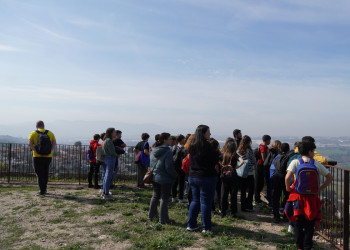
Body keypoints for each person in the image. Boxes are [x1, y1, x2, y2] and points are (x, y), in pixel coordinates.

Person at [285, 141, 333, 250]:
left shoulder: (295, 162)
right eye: (313, 151)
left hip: (298, 197)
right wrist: (319, 188)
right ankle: (307, 247)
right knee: (309, 224)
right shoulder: (315, 163)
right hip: (311, 198)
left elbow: (287, 178)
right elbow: (329, 177)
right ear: (310, 151)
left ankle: (299, 247)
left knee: (298, 223)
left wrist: (288, 188)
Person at [187, 125, 219, 233]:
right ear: (203, 133)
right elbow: (215, 159)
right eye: (208, 132)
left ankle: (191, 224)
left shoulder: (192, 145)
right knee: (206, 202)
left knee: (195, 200)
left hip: (193, 176)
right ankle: (206, 227)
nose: (210, 134)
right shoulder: (207, 145)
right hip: (206, 176)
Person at [149, 133, 178, 224]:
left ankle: (152, 215)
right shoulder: (168, 151)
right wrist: (175, 175)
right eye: (169, 139)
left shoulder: (154, 149)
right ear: (165, 140)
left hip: (155, 176)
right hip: (165, 178)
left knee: (155, 196)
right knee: (164, 198)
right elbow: (168, 167)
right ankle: (164, 220)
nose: (171, 140)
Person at [28, 120, 56, 196]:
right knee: (45, 172)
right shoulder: (50, 133)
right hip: (48, 156)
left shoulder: (33, 133)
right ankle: (44, 188)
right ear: (44, 125)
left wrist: (35, 151)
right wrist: (51, 151)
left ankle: (42, 191)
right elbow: (54, 143)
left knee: (39, 173)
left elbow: (30, 144)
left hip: (37, 156)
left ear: (36, 126)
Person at [219, 140, 244, 218]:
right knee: (233, 195)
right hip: (233, 176)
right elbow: (242, 161)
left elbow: (217, 160)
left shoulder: (223, 154)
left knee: (224, 194)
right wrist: (236, 167)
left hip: (224, 177)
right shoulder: (234, 155)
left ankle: (223, 212)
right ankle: (233, 212)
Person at [271, 142, 290, 223]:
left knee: (276, 197)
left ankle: (276, 216)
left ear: (281, 149)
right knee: (288, 197)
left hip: (276, 176)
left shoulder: (277, 157)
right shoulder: (290, 157)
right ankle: (286, 216)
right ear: (288, 149)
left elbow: (272, 167)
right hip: (285, 177)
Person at [237, 135, 256, 212]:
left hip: (240, 173)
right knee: (251, 190)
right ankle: (249, 205)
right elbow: (254, 161)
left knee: (243, 190)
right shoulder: (250, 151)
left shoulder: (238, 151)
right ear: (249, 142)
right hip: (249, 173)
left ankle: (243, 206)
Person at [101, 128, 118, 199]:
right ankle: (106, 194)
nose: (115, 133)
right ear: (111, 133)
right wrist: (116, 155)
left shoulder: (105, 140)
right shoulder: (109, 141)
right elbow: (112, 151)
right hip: (110, 158)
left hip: (106, 158)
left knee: (105, 176)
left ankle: (104, 191)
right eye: (114, 132)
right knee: (108, 176)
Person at [264, 140, 282, 205]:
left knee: (269, 186)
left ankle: (269, 200)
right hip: (271, 170)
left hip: (266, 169)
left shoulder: (269, 150)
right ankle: (271, 201)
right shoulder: (275, 152)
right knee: (272, 187)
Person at [255, 134, 271, 203]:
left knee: (260, 183)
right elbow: (264, 158)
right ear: (267, 140)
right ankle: (257, 198)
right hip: (261, 166)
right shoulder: (263, 147)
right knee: (259, 183)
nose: (270, 142)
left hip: (260, 165)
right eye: (269, 140)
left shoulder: (262, 146)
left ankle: (257, 197)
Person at [171, 134, 187, 203]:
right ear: (181, 140)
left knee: (174, 182)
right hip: (181, 167)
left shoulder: (173, 147)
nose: (185, 140)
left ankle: (174, 197)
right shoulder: (183, 148)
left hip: (174, 166)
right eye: (184, 139)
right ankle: (181, 198)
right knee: (181, 183)